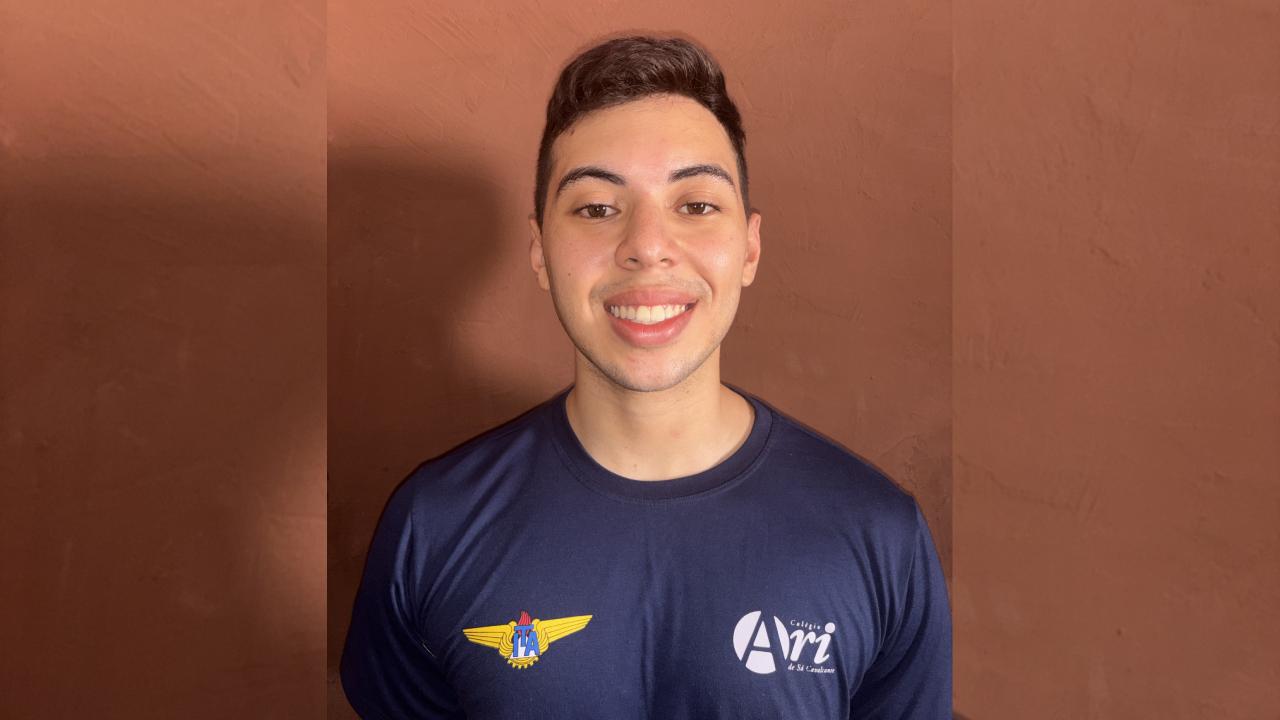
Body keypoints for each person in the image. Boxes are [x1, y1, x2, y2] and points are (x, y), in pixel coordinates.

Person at [340, 35, 952, 719]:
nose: (646, 247)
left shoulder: (876, 533)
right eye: (597, 208)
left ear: (749, 247)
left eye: (695, 205)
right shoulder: (435, 524)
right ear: (541, 252)